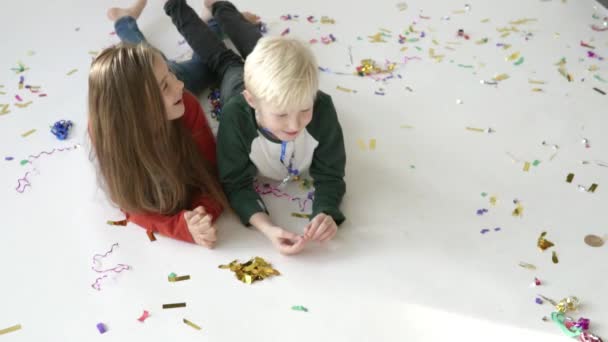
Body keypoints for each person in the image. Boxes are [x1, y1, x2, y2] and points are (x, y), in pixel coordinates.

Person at [164, 0, 346, 255]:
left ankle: (218, 5)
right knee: (225, 60)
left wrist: (326, 211)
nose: (294, 124)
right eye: (281, 114)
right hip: (239, 85)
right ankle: (175, 5)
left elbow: (331, 175)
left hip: (268, 82)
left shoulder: (322, 107)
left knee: (259, 46)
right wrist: (268, 228)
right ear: (252, 101)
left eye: (305, 109)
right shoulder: (236, 116)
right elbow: (235, 182)